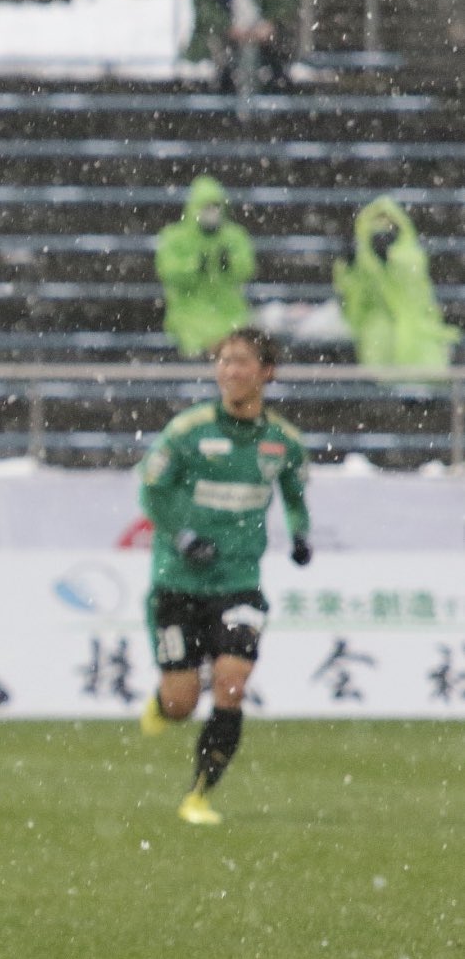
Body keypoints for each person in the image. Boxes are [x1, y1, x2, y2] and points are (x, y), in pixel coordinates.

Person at [137, 327, 312, 826]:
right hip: (179, 583)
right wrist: (184, 536)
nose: (230, 371)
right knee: (181, 702)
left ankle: (198, 795)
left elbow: (295, 494)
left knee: (232, 686)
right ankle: (164, 704)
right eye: (224, 361)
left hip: (239, 584)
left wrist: (300, 534)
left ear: (266, 372)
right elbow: (151, 491)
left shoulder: (283, 441)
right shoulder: (188, 431)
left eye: (241, 361)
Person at [334, 196, 460, 374]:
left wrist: (388, 259)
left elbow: (412, 288)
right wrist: (350, 266)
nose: (383, 229)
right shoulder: (361, 265)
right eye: (376, 224)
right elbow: (353, 310)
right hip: (380, 356)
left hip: (421, 355)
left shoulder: (412, 255)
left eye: (388, 224)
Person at [156, 175, 255, 358]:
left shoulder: (234, 236)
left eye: (215, 206)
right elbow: (168, 271)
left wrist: (228, 265)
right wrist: (195, 266)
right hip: (188, 314)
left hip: (229, 312)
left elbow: (246, 269)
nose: (212, 212)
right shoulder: (175, 237)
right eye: (206, 207)